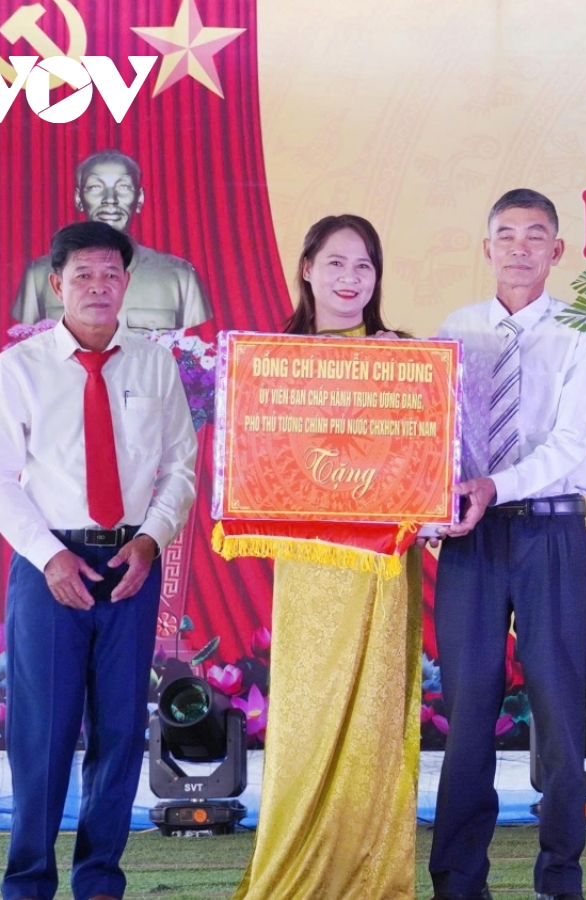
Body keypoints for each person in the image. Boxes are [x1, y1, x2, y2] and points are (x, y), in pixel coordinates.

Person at [0, 221, 198, 900]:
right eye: (83, 276)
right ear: (57, 284)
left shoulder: (155, 364)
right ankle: (28, 883)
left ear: (127, 283)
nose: (98, 287)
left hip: (132, 561)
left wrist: (149, 541)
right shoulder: (21, 368)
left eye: (110, 275)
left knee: (120, 731)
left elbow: (181, 469)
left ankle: (100, 880)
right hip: (50, 564)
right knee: (42, 735)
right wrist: (50, 558)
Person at [229, 215, 424, 900]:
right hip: (312, 563)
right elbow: (259, 467)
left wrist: (406, 380)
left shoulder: (406, 357)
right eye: (336, 263)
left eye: (364, 265)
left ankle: (370, 876)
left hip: (381, 563)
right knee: (307, 715)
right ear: (307, 268)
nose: (350, 278)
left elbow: (422, 464)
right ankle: (295, 868)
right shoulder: (272, 361)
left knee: (375, 714)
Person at [428, 189, 586, 900]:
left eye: (536, 236)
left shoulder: (581, 334)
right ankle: (457, 881)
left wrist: (493, 486)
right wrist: (432, 502)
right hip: (472, 540)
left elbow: (570, 443)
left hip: (550, 533)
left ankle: (560, 877)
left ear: (557, 250)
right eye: (506, 234)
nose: (520, 247)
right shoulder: (456, 330)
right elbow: (434, 433)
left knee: (559, 707)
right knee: (468, 710)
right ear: (487, 248)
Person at [12, 149, 212, 331]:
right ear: (79, 199)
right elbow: (22, 346)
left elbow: (201, 350)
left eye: (123, 187)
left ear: (139, 198)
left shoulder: (180, 277)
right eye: (95, 187)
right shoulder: (39, 276)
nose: (110, 199)